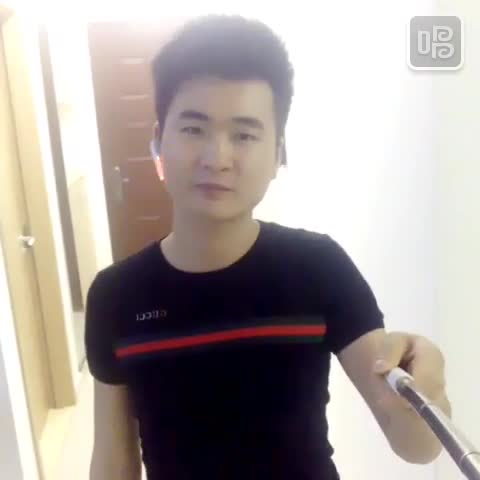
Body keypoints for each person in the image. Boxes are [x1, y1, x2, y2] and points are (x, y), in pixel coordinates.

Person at [85, 15, 451, 480]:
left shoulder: (318, 268)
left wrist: (428, 387)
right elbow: (114, 461)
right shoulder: (116, 295)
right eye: (194, 129)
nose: (217, 158)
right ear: (158, 141)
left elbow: (416, 447)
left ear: (278, 153)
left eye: (244, 134)